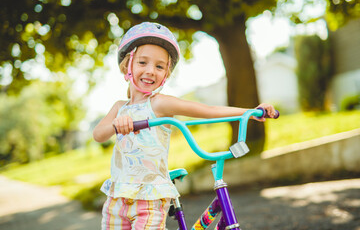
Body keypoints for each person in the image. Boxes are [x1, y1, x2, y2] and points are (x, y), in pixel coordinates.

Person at [93, 22, 276, 230]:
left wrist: (250, 112)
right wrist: (117, 124)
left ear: (166, 74)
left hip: (151, 200)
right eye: (143, 62)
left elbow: (208, 110)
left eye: (159, 66)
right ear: (128, 66)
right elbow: (98, 134)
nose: (151, 71)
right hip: (117, 201)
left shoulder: (160, 103)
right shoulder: (119, 108)